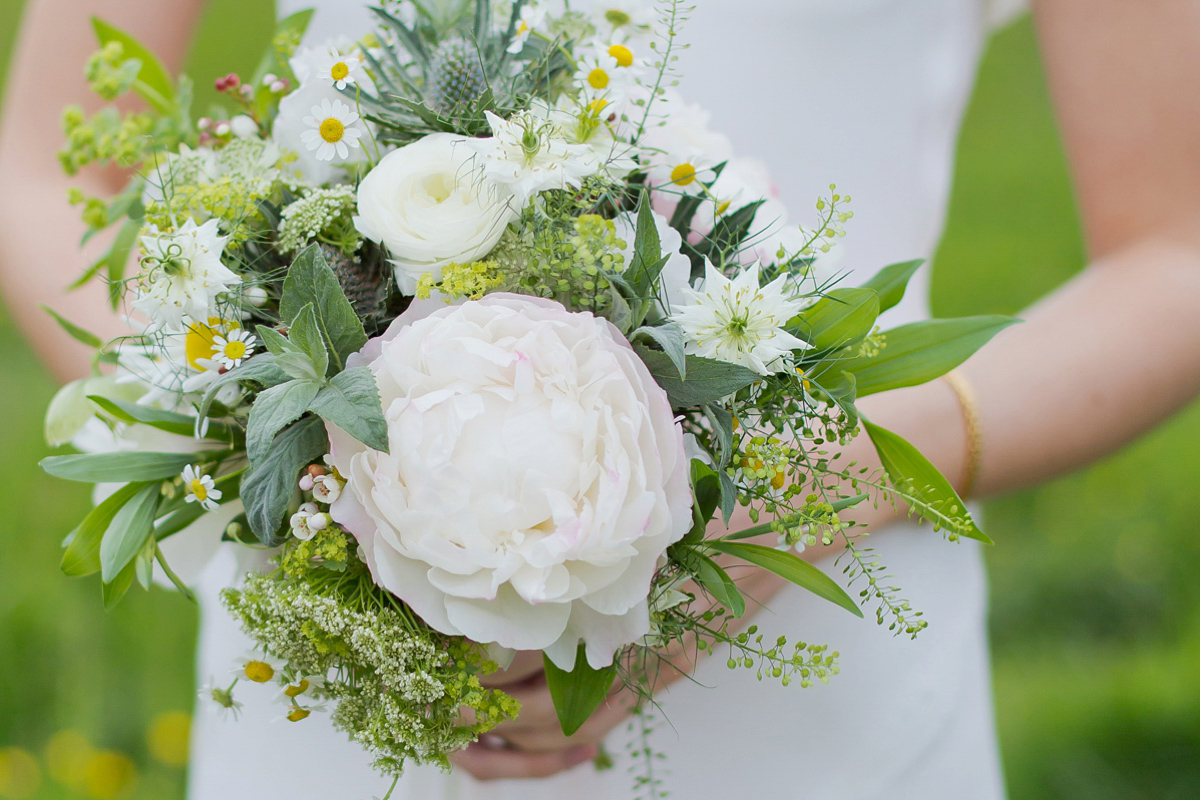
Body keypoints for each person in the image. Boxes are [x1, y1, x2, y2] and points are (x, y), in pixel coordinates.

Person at [4, 0, 1200, 797]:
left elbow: (1177, 247)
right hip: (332, 687)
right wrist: (249, 425)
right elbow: (44, 165)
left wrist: (842, 469)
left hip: (821, 699)